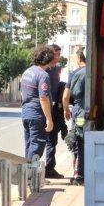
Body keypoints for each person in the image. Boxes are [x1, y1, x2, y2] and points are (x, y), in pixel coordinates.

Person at [20, 45, 55, 166]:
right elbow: (43, 98)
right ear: (48, 59)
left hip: (26, 114)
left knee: (29, 145)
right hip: (37, 116)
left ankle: (27, 172)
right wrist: (49, 119)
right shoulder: (43, 75)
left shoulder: (27, 72)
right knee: (37, 146)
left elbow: (22, 93)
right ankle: (30, 173)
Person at [63, 49, 88, 185]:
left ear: (79, 58)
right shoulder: (93, 72)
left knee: (78, 141)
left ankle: (79, 175)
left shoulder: (75, 73)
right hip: (91, 112)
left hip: (79, 113)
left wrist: (66, 110)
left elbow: (66, 96)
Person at [43, 44, 66, 179]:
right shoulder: (45, 70)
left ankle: (50, 167)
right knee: (44, 140)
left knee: (53, 140)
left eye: (59, 54)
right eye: (56, 54)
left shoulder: (58, 69)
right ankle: (42, 169)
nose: (58, 57)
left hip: (57, 108)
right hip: (46, 108)